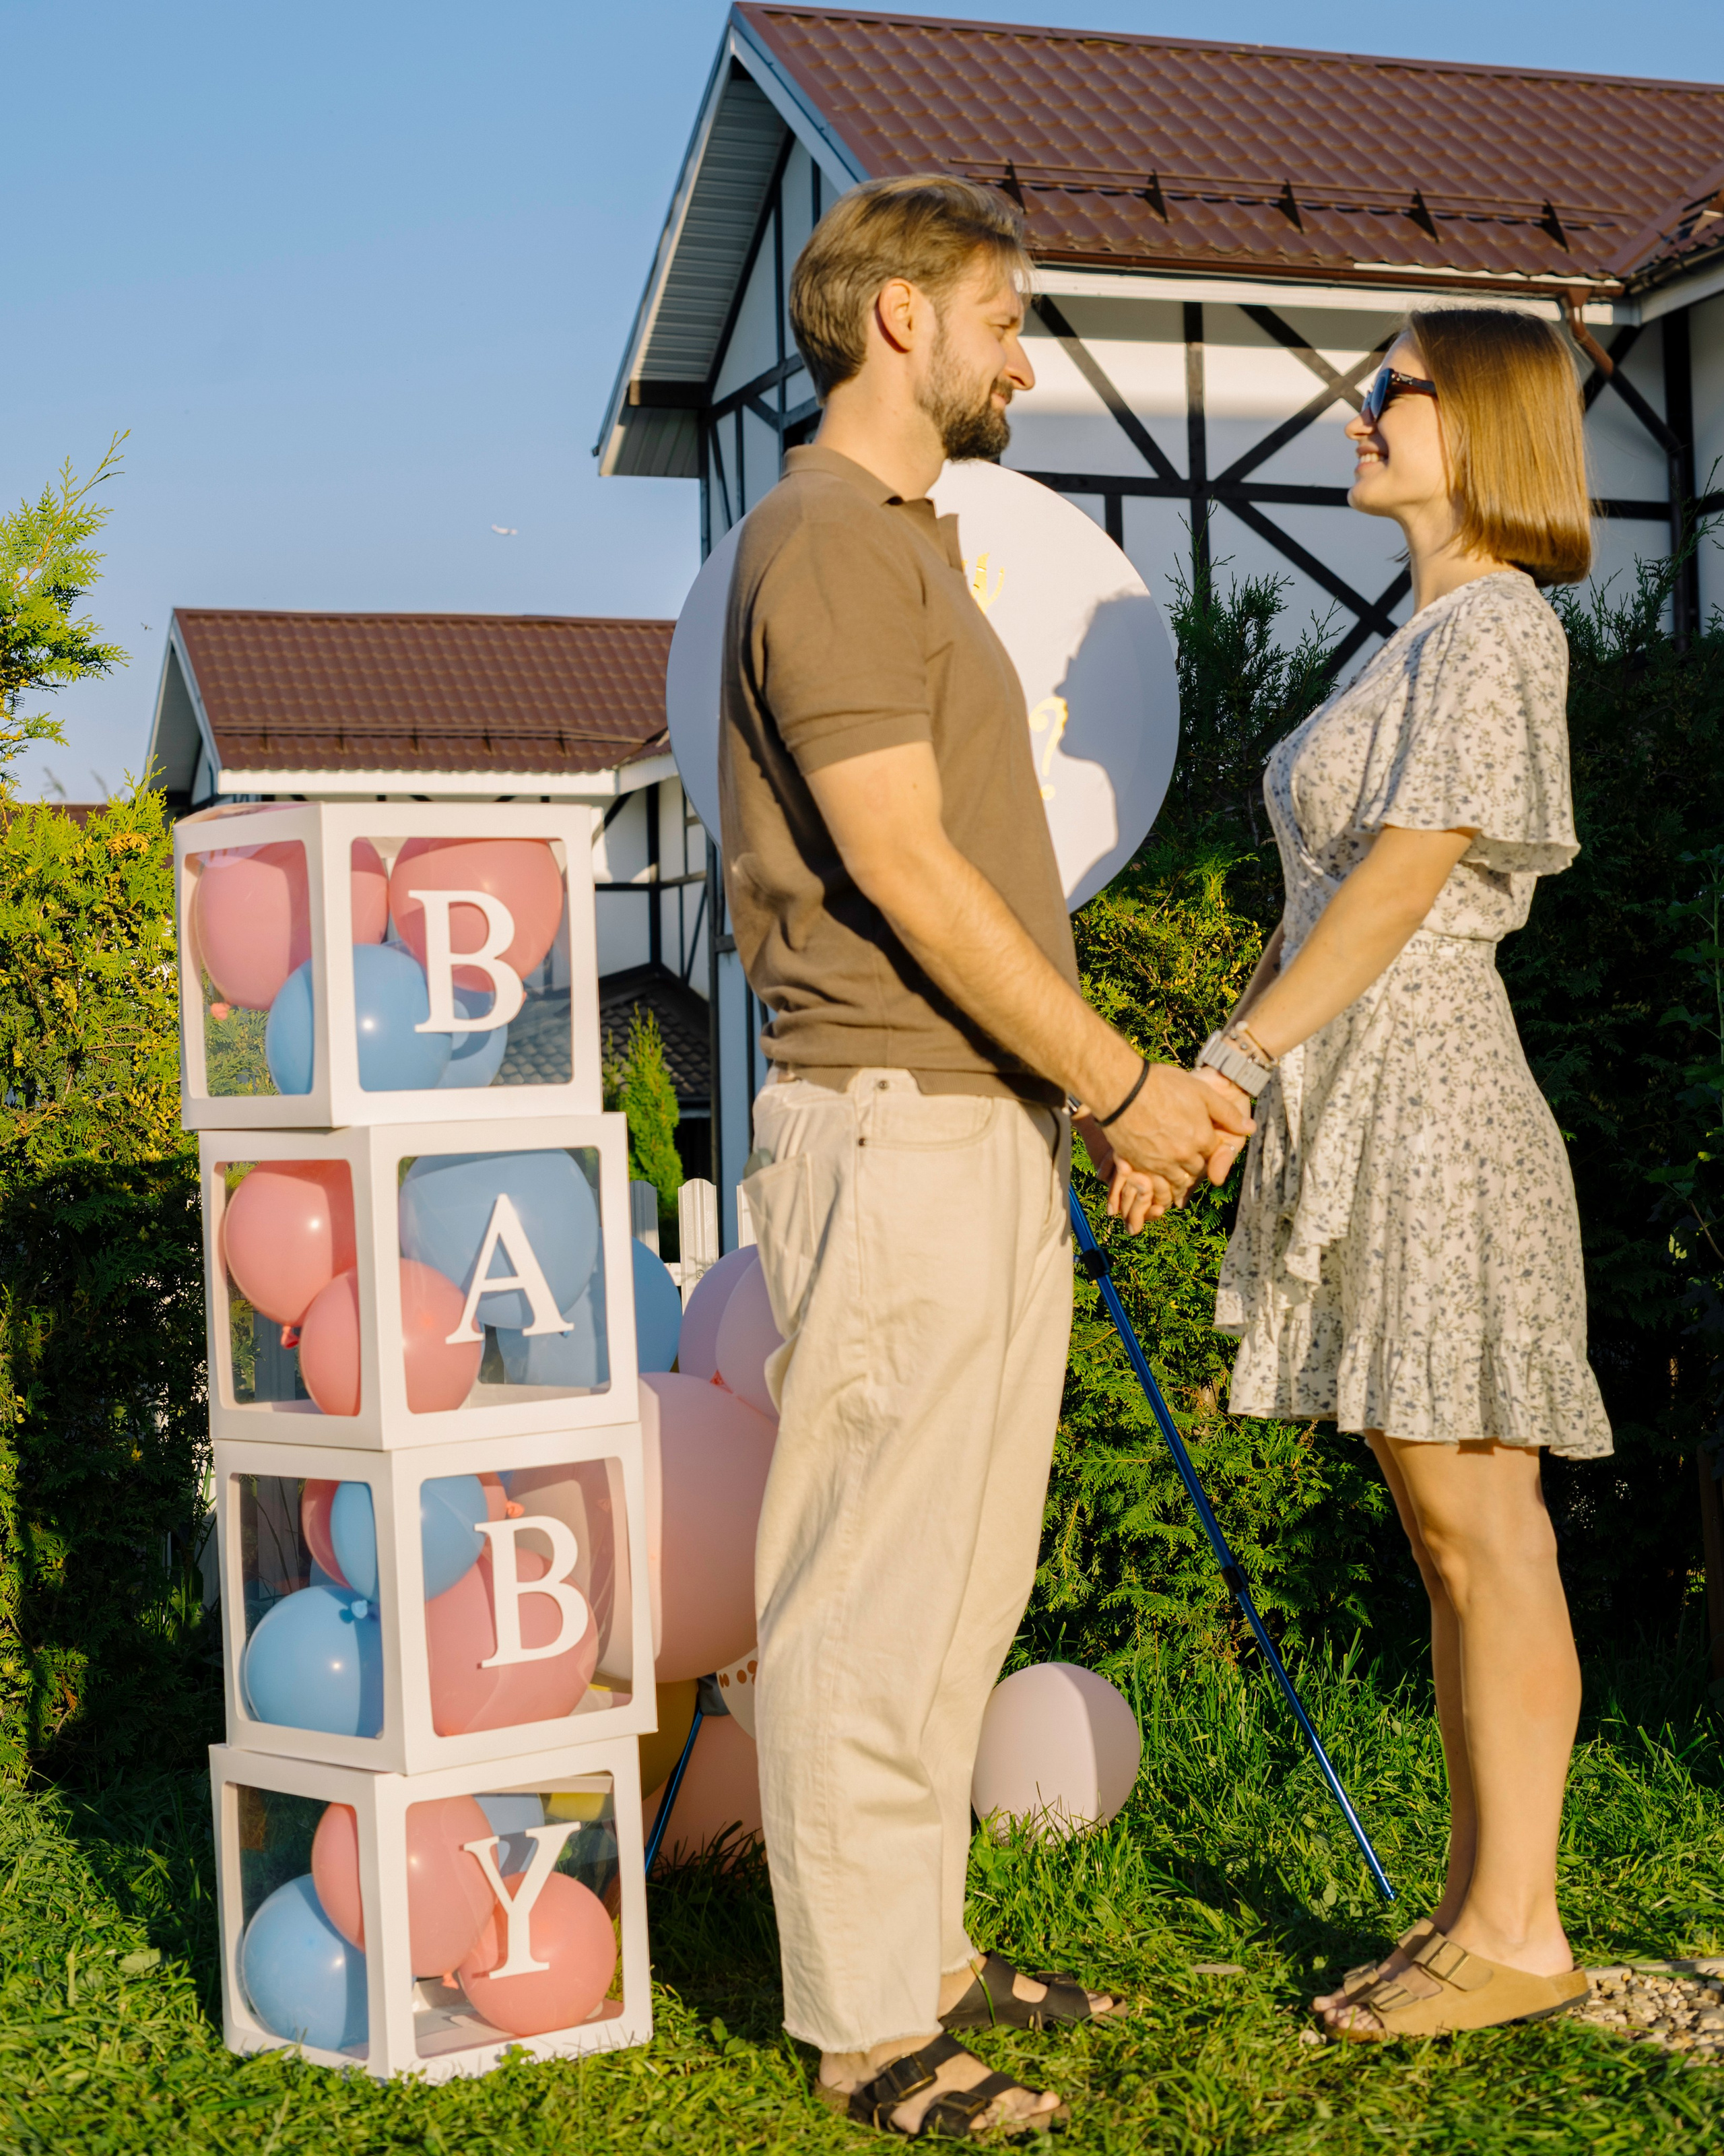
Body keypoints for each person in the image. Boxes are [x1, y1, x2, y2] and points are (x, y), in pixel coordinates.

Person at [718, 175, 1251, 2138]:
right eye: (1006, 316)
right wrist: (1117, 1082)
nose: (1025, 358)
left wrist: (1061, 1101)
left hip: (967, 1120)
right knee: (871, 1582)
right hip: (892, 1118)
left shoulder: (899, 543)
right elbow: (905, 867)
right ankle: (864, 2028)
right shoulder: (825, 544)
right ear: (901, 318)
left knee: (955, 1582)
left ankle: (923, 1950)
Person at [1133, 306, 1610, 2039]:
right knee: (1443, 1533)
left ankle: (1518, 1929)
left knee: (1483, 1529)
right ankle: (1481, 1908)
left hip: (1433, 1106)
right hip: (1362, 1093)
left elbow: (1404, 878)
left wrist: (1230, 1061)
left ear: (1474, 426)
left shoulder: (1497, 626)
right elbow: (1320, 903)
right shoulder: (1411, 636)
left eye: (1387, 389)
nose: (1358, 413)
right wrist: (1225, 1089)